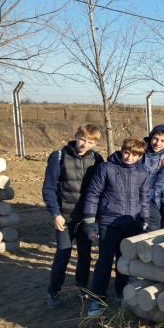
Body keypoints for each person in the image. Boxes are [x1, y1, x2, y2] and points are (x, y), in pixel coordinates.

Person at [82, 138, 149, 317]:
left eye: (134, 155)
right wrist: (90, 220)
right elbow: (93, 194)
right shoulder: (106, 168)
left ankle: (123, 293)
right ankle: (97, 299)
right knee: (104, 261)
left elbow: (144, 197)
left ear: (139, 156)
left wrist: (145, 218)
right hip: (108, 222)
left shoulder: (142, 172)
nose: (129, 157)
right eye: (127, 152)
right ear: (121, 150)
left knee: (126, 261)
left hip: (131, 223)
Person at [42, 123, 103, 309]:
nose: (85, 144)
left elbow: (100, 188)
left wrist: (95, 218)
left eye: (90, 142)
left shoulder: (97, 158)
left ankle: (82, 287)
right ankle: (54, 291)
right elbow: (49, 188)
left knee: (85, 256)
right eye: (83, 139)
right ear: (76, 136)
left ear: (95, 144)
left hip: (86, 219)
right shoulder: (59, 157)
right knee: (63, 254)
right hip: (65, 218)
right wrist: (55, 213)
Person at [140, 124, 164, 231]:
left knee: (154, 221)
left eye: (162, 141)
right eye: (155, 139)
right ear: (150, 137)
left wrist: (156, 206)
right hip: (131, 195)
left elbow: (158, 185)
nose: (158, 143)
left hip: (148, 196)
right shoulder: (140, 151)